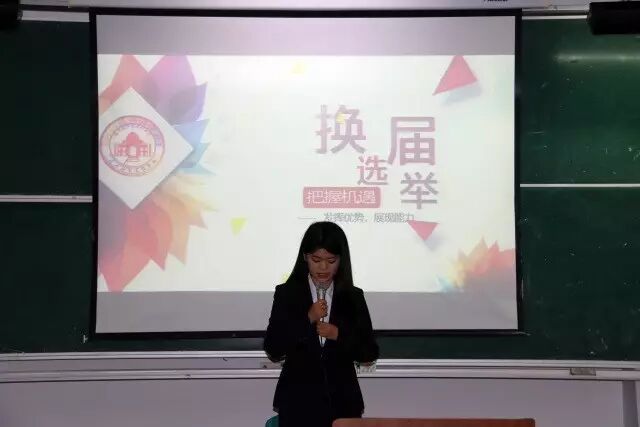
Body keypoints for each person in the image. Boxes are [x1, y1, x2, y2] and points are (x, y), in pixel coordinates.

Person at [264, 221, 379, 427]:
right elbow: (273, 347)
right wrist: (307, 318)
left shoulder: (353, 296)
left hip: (343, 404)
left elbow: (369, 352)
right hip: (297, 403)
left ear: (341, 260)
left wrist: (338, 335)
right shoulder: (287, 294)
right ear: (305, 257)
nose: (323, 267)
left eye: (331, 260)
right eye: (316, 260)